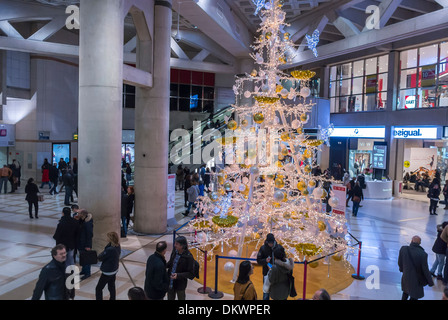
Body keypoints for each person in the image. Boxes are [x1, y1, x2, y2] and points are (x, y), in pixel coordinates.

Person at [398, 236, 434, 300]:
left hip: (405, 277)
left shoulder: (404, 249)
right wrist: (430, 282)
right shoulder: (423, 254)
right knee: (415, 295)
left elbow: (400, 262)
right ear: (419, 243)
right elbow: (425, 269)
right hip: (417, 279)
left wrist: (402, 270)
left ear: (411, 241)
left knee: (405, 292)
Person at [257, 233, 284, 300]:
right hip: (267, 273)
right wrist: (265, 261)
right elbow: (258, 260)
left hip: (277, 273)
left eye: (272, 243)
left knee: (277, 292)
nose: (270, 244)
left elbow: (284, 259)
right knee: (266, 291)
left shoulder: (279, 248)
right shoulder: (263, 248)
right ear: (267, 241)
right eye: (269, 243)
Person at [166, 236, 194, 300]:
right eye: (175, 243)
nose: (174, 245)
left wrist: (178, 275)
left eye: (176, 244)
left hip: (180, 284)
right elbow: (171, 262)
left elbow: (190, 273)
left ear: (182, 246)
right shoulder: (174, 251)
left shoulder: (188, 257)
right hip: (170, 282)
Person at [95, 231, 121, 300]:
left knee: (98, 288)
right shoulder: (117, 246)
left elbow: (101, 257)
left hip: (108, 271)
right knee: (111, 286)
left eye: (108, 237)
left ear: (111, 239)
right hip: (114, 269)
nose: (106, 238)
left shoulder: (110, 249)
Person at [77, 209, 94, 280]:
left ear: (82, 214)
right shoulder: (82, 220)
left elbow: (89, 235)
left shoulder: (87, 223)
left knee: (86, 258)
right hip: (81, 243)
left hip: (85, 244)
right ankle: (84, 270)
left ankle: (87, 273)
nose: (77, 214)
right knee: (83, 257)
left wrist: (88, 245)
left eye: (79, 213)